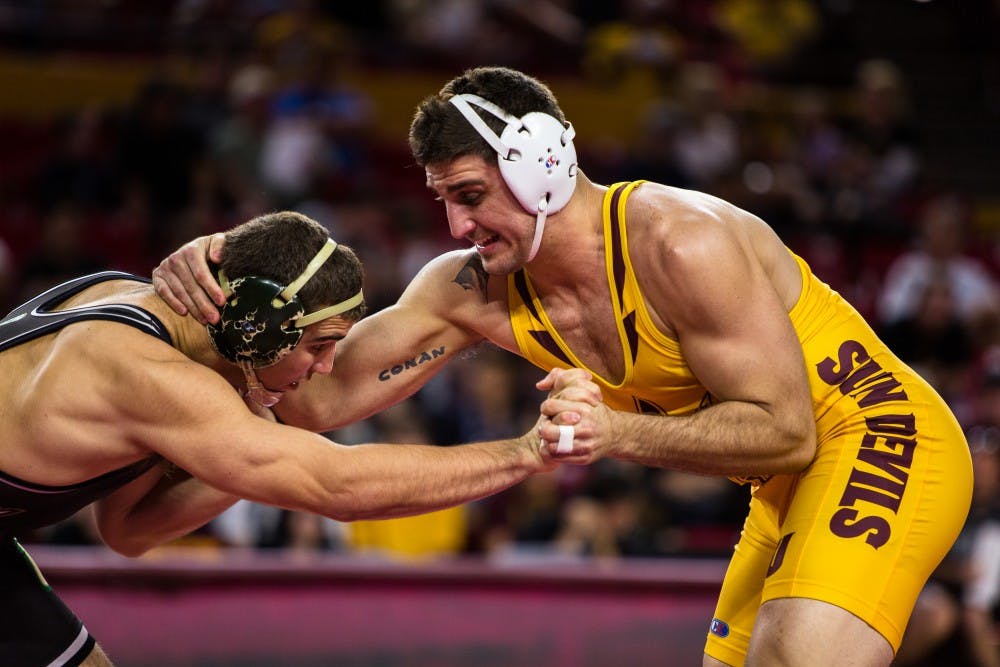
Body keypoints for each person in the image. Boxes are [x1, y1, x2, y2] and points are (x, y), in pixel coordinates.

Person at [153, 66, 974, 667]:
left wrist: (612, 431)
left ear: (539, 161)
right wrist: (228, 285)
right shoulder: (472, 291)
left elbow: (788, 431)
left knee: (801, 659)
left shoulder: (678, 241)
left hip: (875, 433)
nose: (454, 225)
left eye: (470, 194)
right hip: (784, 484)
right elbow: (317, 402)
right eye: (444, 198)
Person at [0, 209, 596, 667]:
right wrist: (526, 452)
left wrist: (265, 427)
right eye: (319, 344)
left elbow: (129, 530)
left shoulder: (125, 304)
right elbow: (335, 484)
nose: (328, 366)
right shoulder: (145, 376)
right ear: (253, 325)